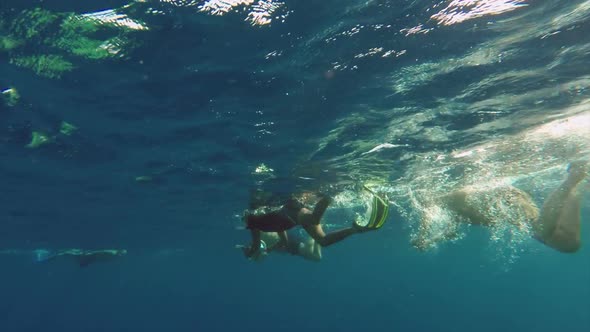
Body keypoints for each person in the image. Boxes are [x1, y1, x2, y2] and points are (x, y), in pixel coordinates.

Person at [413, 161, 589, 253]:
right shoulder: (451, 210)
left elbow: (428, 207)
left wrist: (422, 236)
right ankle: (577, 185)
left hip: (504, 200)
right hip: (506, 202)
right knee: (569, 244)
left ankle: (574, 176)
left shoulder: (438, 200)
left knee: (542, 230)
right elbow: (452, 231)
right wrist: (431, 240)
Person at [242, 189, 389, 259]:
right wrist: (269, 249)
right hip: (292, 217)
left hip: (291, 210)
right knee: (323, 241)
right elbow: (284, 242)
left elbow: (255, 246)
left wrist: (250, 253)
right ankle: (355, 229)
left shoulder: (254, 222)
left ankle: (330, 194)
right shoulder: (258, 223)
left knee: (313, 219)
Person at [34, 249, 127, 267]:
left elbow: (97, 258)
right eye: (122, 254)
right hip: (85, 256)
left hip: (88, 259)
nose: (121, 256)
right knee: (64, 254)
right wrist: (85, 255)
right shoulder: (111, 253)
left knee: (65, 254)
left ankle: (44, 258)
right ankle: (43, 257)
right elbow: (96, 253)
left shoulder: (115, 257)